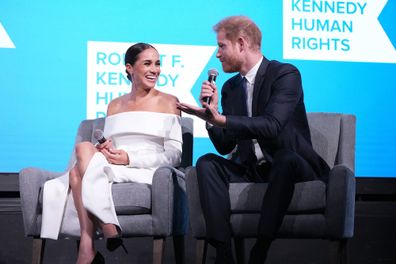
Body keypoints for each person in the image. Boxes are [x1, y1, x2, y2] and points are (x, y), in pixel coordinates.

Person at [177, 16, 330, 264]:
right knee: (207, 162)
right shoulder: (230, 88)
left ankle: (260, 249)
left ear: (241, 43)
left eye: (221, 46)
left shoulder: (285, 74)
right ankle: (223, 252)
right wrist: (210, 116)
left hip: (293, 166)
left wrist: (222, 119)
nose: (217, 54)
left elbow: (272, 125)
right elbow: (226, 145)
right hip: (252, 168)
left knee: (285, 158)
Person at [40, 43, 182, 264]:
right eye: (147, 63)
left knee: (77, 174)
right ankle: (98, 238)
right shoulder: (114, 105)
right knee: (84, 149)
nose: (155, 69)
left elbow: (174, 156)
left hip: (148, 170)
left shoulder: (170, 102)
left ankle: (93, 243)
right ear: (129, 68)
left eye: (157, 64)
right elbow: (108, 146)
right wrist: (107, 152)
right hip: (112, 167)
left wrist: (130, 158)